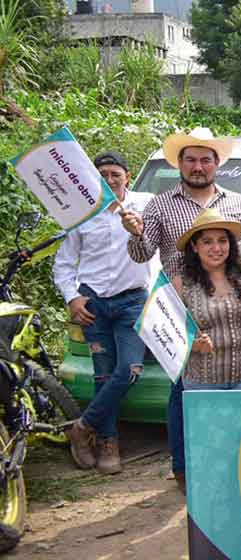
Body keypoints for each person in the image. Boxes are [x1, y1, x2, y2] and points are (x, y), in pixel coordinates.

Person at [119, 127, 241, 492]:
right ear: (179, 163)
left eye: (205, 159)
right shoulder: (160, 205)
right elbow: (140, 254)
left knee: (233, 400)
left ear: (217, 164)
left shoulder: (239, 204)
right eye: (191, 159)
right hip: (182, 308)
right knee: (184, 395)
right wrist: (133, 231)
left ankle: (238, 472)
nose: (198, 166)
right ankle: (185, 469)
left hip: (231, 306)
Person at [56, 151, 152, 475]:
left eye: (115, 173)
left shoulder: (145, 204)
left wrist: (138, 230)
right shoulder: (81, 214)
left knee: (129, 369)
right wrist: (72, 298)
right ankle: (108, 442)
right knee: (102, 374)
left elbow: (159, 248)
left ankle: (82, 427)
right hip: (93, 304)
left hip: (133, 301)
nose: (110, 180)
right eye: (103, 175)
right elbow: (64, 264)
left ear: (128, 175)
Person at [174, 208, 241, 395]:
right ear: (194, 246)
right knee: (208, 426)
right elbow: (168, 330)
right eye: (207, 242)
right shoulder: (182, 283)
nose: (216, 248)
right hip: (202, 380)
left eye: (222, 241)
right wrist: (192, 344)